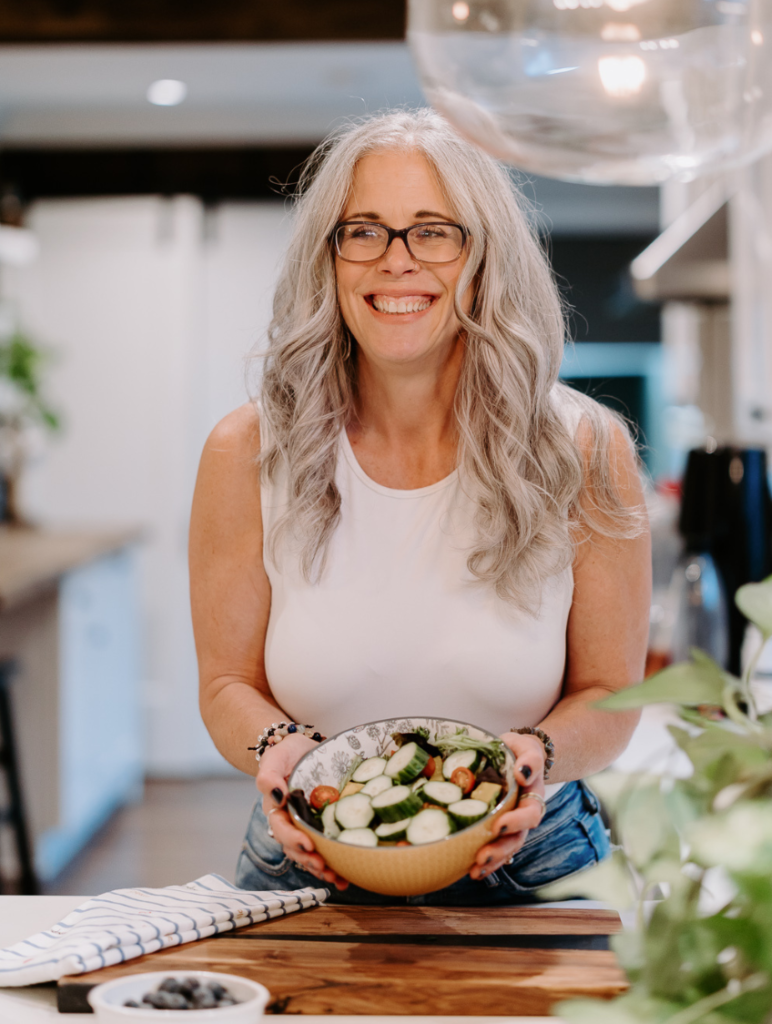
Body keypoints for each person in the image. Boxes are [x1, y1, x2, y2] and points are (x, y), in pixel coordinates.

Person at [189, 109, 651, 904]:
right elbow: (227, 681)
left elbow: (610, 694)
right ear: (328, 259)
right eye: (363, 230)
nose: (396, 262)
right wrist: (276, 746)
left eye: (434, 231)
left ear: (484, 258)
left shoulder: (584, 448)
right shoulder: (244, 451)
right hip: (306, 861)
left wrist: (532, 758)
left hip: (533, 859)